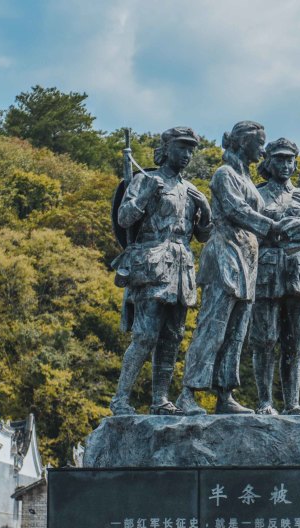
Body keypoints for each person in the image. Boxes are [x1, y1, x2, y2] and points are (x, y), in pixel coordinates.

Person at [176, 121, 282, 415]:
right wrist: (271, 226)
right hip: (225, 253)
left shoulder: (246, 177)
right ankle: (189, 393)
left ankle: (224, 392)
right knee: (213, 326)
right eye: (259, 143)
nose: (262, 149)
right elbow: (237, 211)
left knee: (237, 331)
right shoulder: (224, 174)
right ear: (242, 142)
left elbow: (263, 213)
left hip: (248, 258)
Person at [109, 127, 211, 416]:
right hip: (152, 261)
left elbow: (203, 235)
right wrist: (145, 196)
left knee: (173, 335)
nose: (187, 154)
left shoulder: (190, 189)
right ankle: (120, 400)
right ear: (166, 149)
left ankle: (161, 399)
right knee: (145, 335)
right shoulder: (145, 179)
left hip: (182, 266)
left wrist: (205, 206)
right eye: (182, 147)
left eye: (191, 149)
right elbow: (124, 217)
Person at [250, 138, 300, 415]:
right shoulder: (256, 194)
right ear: (268, 162)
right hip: (267, 268)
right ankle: (264, 402)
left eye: (290, 159)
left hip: (298, 270)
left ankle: (292, 402)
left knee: (296, 341)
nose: (286, 165)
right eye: (279, 159)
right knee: (265, 338)